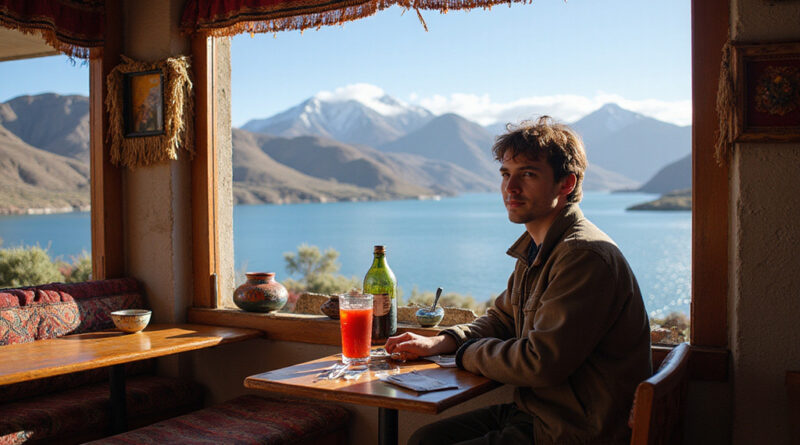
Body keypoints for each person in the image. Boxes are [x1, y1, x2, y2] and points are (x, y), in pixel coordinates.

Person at [385, 116, 652, 445]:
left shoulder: (583, 256)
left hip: (572, 431)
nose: (510, 188)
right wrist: (442, 342)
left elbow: (540, 363)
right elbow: (503, 318)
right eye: (506, 174)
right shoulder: (540, 246)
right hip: (541, 413)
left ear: (565, 184)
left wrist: (464, 353)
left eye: (527, 174)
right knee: (425, 438)